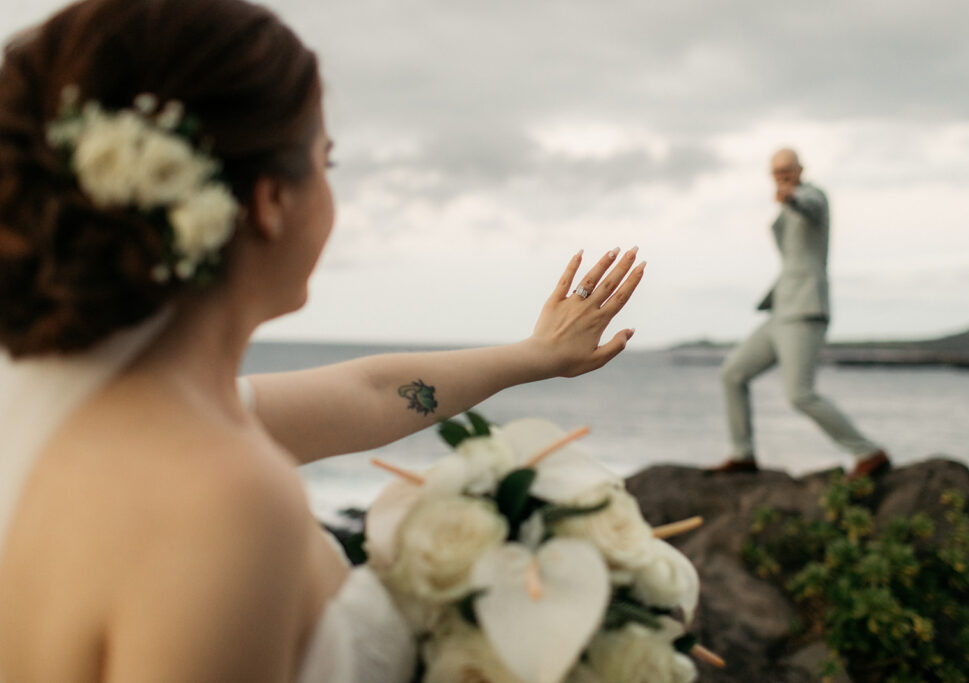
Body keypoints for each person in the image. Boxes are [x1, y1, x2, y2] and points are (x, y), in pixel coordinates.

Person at [0, 1, 644, 681]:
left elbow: (366, 393)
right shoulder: (227, 498)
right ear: (272, 199)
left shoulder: (90, 405)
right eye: (326, 160)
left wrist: (534, 355)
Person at [710, 148, 889, 478]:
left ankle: (868, 452)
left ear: (800, 169)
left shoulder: (812, 197)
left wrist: (790, 195)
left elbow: (809, 205)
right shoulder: (786, 208)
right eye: (776, 172)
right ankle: (743, 454)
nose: (782, 176)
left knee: (799, 394)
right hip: (781, 311)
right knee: (732, 374)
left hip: (806, 308)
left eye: (787, 170)